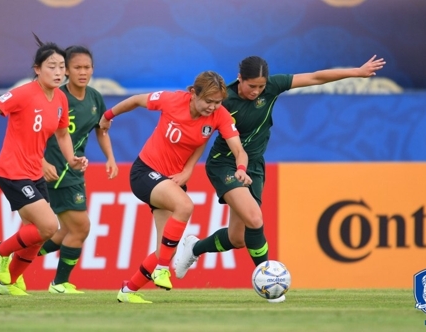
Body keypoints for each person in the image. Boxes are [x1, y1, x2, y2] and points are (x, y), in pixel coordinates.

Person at [174, 55, 386, 303]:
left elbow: (315, 77)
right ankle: (269, 282)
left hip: (254, 167)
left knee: (238, 238)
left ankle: (193, 248)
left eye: (261, 87)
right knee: (254, 218)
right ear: (239, 78)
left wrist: (356, 72)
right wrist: (186, 170)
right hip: (224, 165)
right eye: (251, 86)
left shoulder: (273, 87)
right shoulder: (224, 100)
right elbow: (200, 136)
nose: (256, 91)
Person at [98, 71, 252, 304]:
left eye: (218, 102)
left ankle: (128, 291)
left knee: (165, 250)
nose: (213, 107)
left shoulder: (220, 115)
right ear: (193, 94)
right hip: (144, 172)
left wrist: (241, 168)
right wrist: (108, 115)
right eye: (208, 101)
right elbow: (136, 100)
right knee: (185, 205)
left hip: (170, 180)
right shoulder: (171, 100)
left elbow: (239, 149)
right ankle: (161, 269)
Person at [0, 34, 88, 296]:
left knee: (38, 233)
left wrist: (71, 157)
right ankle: (0, 250)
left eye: (62, 66)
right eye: (51, 66)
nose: (59, 72)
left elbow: (62, 133)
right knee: (50, 227)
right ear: (37, 70)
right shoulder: (23, 94)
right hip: (12, 172)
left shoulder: (61, 99)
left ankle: (9, 282)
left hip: (33, 173)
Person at [37, 45, 118, 294]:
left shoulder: (94, 97)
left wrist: (110, 158)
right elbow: (36, 132)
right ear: (67, 71)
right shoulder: (57, 97)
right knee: (80, 228)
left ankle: (15, 254)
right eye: (77, 67)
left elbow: (101, 130)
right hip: (58, 170)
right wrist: (42, 162)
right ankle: (59, 284)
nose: (83, 72)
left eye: (87, 67)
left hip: (75, 169)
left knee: (65, 231)